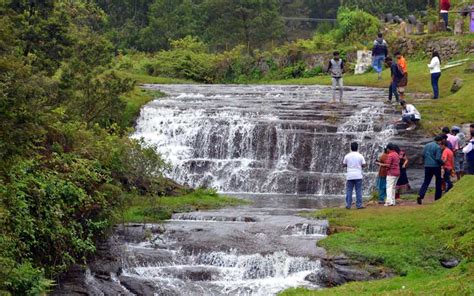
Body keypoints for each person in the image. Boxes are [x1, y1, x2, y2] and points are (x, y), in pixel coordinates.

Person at [418, 135, 444, 204]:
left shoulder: (426, 145)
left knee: (426, 181)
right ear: (440, 141)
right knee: (438, 182)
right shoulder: (437, 147)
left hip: (427, 166)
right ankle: (437, 198)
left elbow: (423, 154)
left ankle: (421, 195)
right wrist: (443, 162)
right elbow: (438, 158)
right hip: (435, 166)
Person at [343, 142, 366, 209]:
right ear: (357, 147)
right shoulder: (360, 156)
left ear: (351, 148)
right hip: (358, 175)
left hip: (350, 175)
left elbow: (344, 164)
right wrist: (359, 165)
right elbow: (364, 165)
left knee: (349, 190)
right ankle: (359, 205)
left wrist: (349, 165)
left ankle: (348, 205)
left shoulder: (347, 156)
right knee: (358, 190)